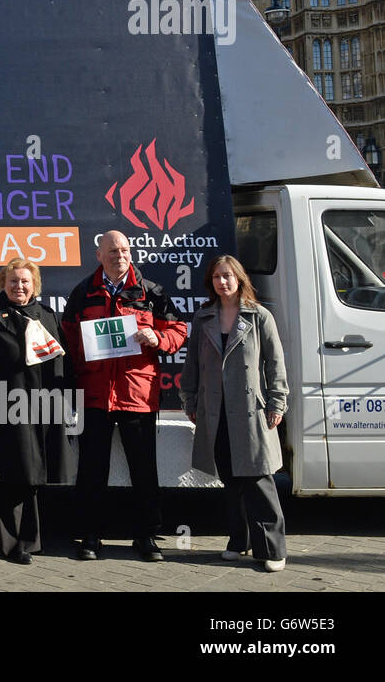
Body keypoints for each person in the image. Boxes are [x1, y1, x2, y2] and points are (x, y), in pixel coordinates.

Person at [61, 230, 187, 562]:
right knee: (91, 471)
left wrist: (157, 338)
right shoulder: (84, 292)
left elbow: (178, 331)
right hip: (95, 396)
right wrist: (83, 364)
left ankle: (146, 536)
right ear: (99, 255)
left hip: (138, 395)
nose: (121, 255)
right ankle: (90, 536)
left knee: (144, 470)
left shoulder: (150, 291)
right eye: (113, 250)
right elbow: (70, 337)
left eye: (126, 249)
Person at [181, 255, 289, 572]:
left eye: (228, 276)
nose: (222, 282)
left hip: (251, 411)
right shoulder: (204, 319)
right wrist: (190, 401)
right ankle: (238, 540)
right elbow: (191, 368)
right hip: (215, 412)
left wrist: (276, 403)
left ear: (239, 278)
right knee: (230, 479)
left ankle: (272, 549)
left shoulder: (259, 317)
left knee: (258, 479)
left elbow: (275, 364)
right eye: (217, 277)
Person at [0, 258, 75, 564]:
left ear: (35, 284)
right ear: (3, 283)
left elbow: (62, 365)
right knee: (11, 474)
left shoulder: (47, 316)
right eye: (13, 281)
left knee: (34, 474)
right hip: (2, 407)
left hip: (42, 408)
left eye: (25, 281)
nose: (19, 286)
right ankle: (13, 543)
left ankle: (31, 539)